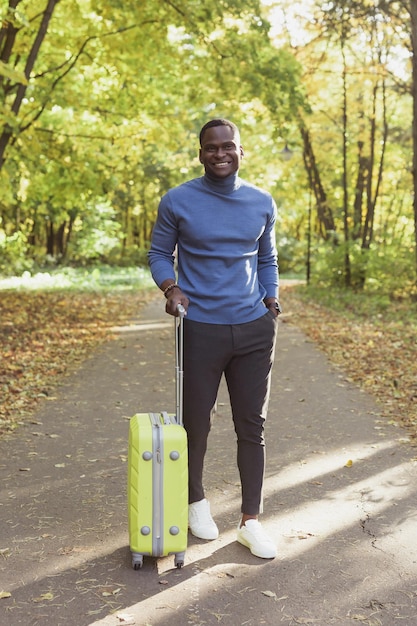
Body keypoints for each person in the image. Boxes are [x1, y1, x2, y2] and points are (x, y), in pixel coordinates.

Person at [148, 118, 281, 559]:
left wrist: (272, 298)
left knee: (252, 425)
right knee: (196, 424)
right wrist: (171, 288)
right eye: (211, 147)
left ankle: (251, 521)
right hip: (199, 325)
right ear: (200, 152)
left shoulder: (262, 202)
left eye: (228, 146)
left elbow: (267, 258)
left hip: (253, 329)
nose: (220, 153)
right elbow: (158, 253)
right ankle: (195, 502)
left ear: (242, 151)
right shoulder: (178, 200)